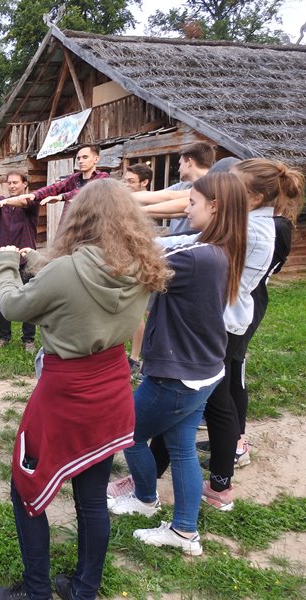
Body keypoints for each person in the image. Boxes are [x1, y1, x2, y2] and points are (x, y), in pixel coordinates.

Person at [0, 179, 170, 600]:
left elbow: (13, 306)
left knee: (27, 487)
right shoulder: (143, 265)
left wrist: (7, 263)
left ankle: (36, 591)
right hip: (112, 388)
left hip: (64, 392)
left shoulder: (65, 272)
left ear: (79, 218)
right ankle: (84, 589)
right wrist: (35, 259)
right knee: (91, 499)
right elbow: (74, 275)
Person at [108, 173, 248, 557]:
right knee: (182, 448)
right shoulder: (220, 250)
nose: (186, 210)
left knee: (127, 432)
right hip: (204, 370)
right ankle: (185, 531)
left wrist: (118, 220)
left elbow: (137, 264)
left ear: (214, 207)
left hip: (176, 375)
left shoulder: (196, 258)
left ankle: (145, 498)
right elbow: (163, 246)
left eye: (192, 203)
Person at [196, 158, 304, 510]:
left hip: (236, 312)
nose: (224, 190)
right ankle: (223, 461)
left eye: (233, 185)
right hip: (234, 308)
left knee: (222, 391)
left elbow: (198, 248)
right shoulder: (252, 222)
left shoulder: (259, 229)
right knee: (219, 392)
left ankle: (228, 463)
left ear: (255, 198)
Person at [0, 171, 38, 352]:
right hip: (4, 258)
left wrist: (3, 201)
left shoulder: (30, 202)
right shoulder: (3, 203)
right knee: (3, 297)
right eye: (9, 183)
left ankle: (28, 339)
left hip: (25, 258)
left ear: (24, 184)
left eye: (15, 182)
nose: (12, 186)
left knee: (29, 298)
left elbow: (21, 202)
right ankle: (4, 337)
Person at [0, 145, 109, 224]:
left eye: (85, 157)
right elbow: (55, 187)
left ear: (96, 159)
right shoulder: (75, 178)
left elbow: (85, 191)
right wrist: (34, 195)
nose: (80, 161)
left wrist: (61, 197)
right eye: (78, 158)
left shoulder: (103, 177)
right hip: (70, 225)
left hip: (92, 225)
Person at [135, 142, 215, 233]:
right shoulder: (184, 185)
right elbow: (158, 196)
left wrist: (128, 200)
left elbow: (170, 196)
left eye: (180, 164)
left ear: (189, 162)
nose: (179, 169)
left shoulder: (213, 184)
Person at [121, 164, 154, 375]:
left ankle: (137, 358)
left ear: (145, 183)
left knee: (144, 312)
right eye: (125, 180)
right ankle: (135, 356)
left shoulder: (151, 204)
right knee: (134, 310)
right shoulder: (126, 202)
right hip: (126, 260)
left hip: (143, 261)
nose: (126, 185)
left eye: (131, 181)